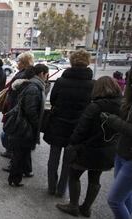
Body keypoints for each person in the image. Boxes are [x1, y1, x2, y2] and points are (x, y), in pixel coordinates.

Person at [56, 76, 122, 217]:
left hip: (87, 148)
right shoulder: (122, 105)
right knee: (95, 178)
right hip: (107, 149)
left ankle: (73, 205)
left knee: (74, 175)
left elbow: (82, 128)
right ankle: (86, 207)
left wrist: (72, 143)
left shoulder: (95, 106)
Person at [43, 49, 94, 197]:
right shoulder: (92, 84)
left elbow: (53, 100)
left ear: (72, 62)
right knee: (69, 160)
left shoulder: (61, 81)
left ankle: (51, 187)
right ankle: (61, 190)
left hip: (58, 124)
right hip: (78, 127)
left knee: (53, 158)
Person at [7, 64, 48, 187]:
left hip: (23, 124)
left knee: (22, 152)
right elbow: (30, 110)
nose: (47, 77)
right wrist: (36, 124)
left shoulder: (33, 85)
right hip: (25, 126)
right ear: (41, 74)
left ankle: (18, 176)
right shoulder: (34, 88)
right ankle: (14, 178)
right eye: (46, 75)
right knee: (20, 153)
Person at [104, 70, 132, 219]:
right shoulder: (126, 100)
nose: (126, 83)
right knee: (125, 196)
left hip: (129, 156)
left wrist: (113, 121)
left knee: (114, 200)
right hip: (122, 151)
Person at [1, 52, 35, 170]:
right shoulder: (23, 73)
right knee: (18, 140)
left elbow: (18, 94)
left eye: (19, 61)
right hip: (16, 108)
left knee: (16, 139)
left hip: (17, 109)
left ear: (25, 63)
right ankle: (25, 168)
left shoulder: (24, 75)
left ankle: (16, 166)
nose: (17, 63)